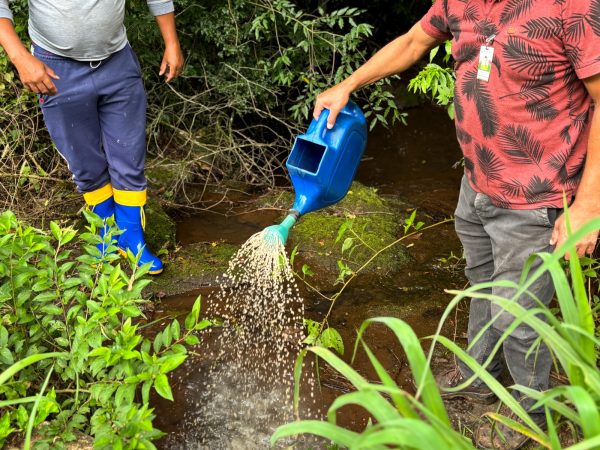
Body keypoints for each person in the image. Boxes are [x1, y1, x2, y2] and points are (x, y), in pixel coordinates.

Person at [313, 1, 600, 449]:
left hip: (537, 197)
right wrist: (347, 85)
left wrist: (587, 205)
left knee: (519, 317)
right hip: (477, 183)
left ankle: (529, 414)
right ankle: (478, 375)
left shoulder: (571, 6)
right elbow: (412, 42)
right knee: (479, 283)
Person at [0, 0, 184, 275]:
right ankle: (105, 235)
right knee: (84, 162)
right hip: (55, 69)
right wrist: (19, 56)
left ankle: (132, 240)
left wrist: (171, 42)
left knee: (129, 157)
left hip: (117, 63)